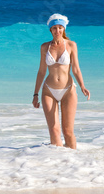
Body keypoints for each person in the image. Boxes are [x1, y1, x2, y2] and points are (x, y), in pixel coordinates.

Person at [32, 13, 90, 148]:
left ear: (63, 29)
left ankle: (73, 159)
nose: (57, 30)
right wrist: (35, 94)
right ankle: (58, 159)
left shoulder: (71, 45)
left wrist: (82, 86)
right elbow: (41, 72)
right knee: (54, 131)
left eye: (60, 27)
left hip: (68, 90)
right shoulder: (44, 47)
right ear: (50, 30)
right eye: (54, 28)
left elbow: (76, 69)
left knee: (68, 132)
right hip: (49, 91)